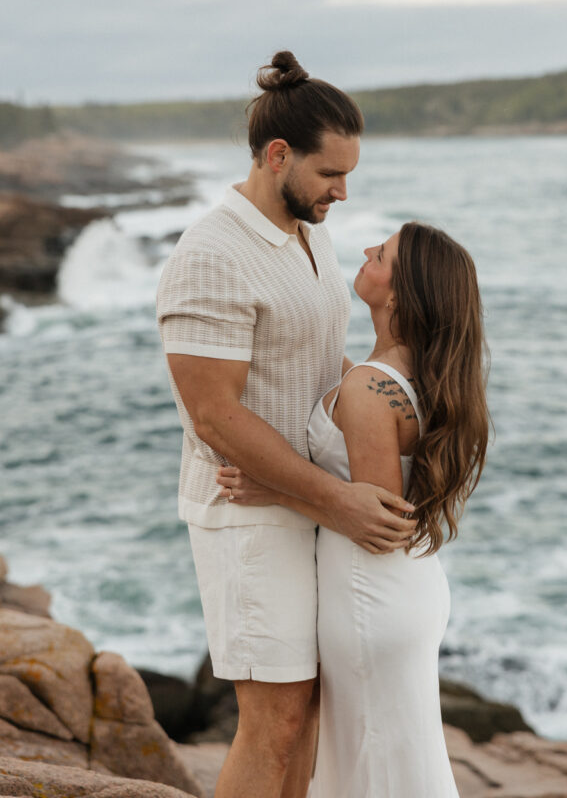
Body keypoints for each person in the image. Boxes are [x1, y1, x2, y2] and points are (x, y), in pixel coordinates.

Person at [156, 51, 416, 798]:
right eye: (330, 173)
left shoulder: (308, 233)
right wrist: (336, 500)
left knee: (310, 716)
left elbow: (314, 359)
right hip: (248, 513)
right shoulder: (212, 255)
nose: (342, 192)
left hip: (305, 500)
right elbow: (215, 414)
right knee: (273, 722)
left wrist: (390, 403)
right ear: (278, 156)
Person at [219, 221, 490, 797]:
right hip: (405, 588)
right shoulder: (409, 377)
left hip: (371, 592)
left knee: (376, 765)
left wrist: (274, 490)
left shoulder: (370, 387)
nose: (367, 250)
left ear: (399, 295)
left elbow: (376, 521)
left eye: (382, 253)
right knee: (394, 758)